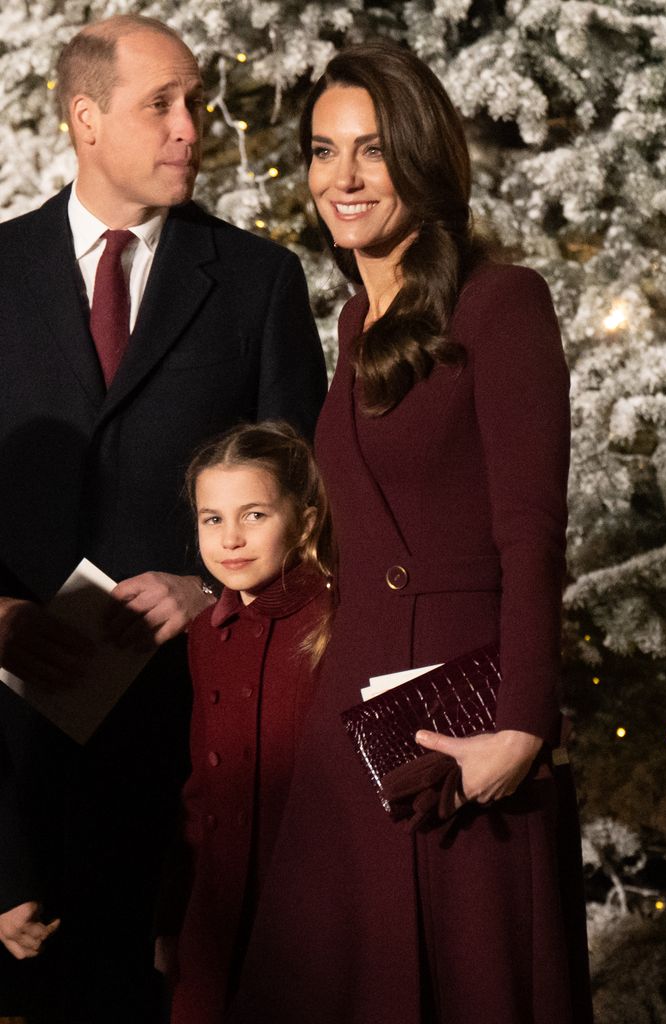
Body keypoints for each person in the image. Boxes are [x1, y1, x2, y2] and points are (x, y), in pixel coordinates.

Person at [231, 42, 593, 1024]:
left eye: (371, 151)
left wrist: (518, 728)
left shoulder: (500, 301)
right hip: (351, 732)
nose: (339, 178)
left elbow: (531, 534)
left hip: (461, 735)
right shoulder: (351, 321)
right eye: (321, 150)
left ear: (422, 161)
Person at [0, 13, 326, 1024]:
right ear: (85, 118)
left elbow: (310, 499)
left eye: (195, 101)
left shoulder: (257, 282)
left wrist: (210, 582)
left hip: (191, 746)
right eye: (162, 105)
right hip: (14, 755)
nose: (192, 126)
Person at [155, 421, 334, 1024]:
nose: (230, 538)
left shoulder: (337, 620)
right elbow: (200, 789)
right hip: (217, 919)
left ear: (304, 522)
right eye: (212, 519)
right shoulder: (205, 637)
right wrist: (174, 916)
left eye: (254, 515)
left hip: (311, 920)